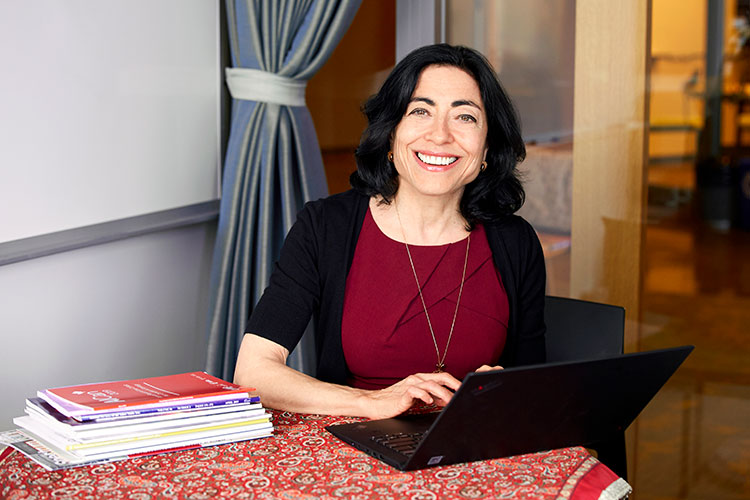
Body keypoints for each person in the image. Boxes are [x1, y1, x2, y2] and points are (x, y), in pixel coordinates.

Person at [234, 44, 546, 420]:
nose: (440, 135)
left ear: (486, 148)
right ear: (390, 137)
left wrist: (501, 390)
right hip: (355, 447)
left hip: (470, 447)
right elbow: (254, 372)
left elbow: (532, 386)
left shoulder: (516, 241)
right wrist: (370, 402)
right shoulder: (325, 227)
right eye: (420, 111)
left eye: (465, 117)